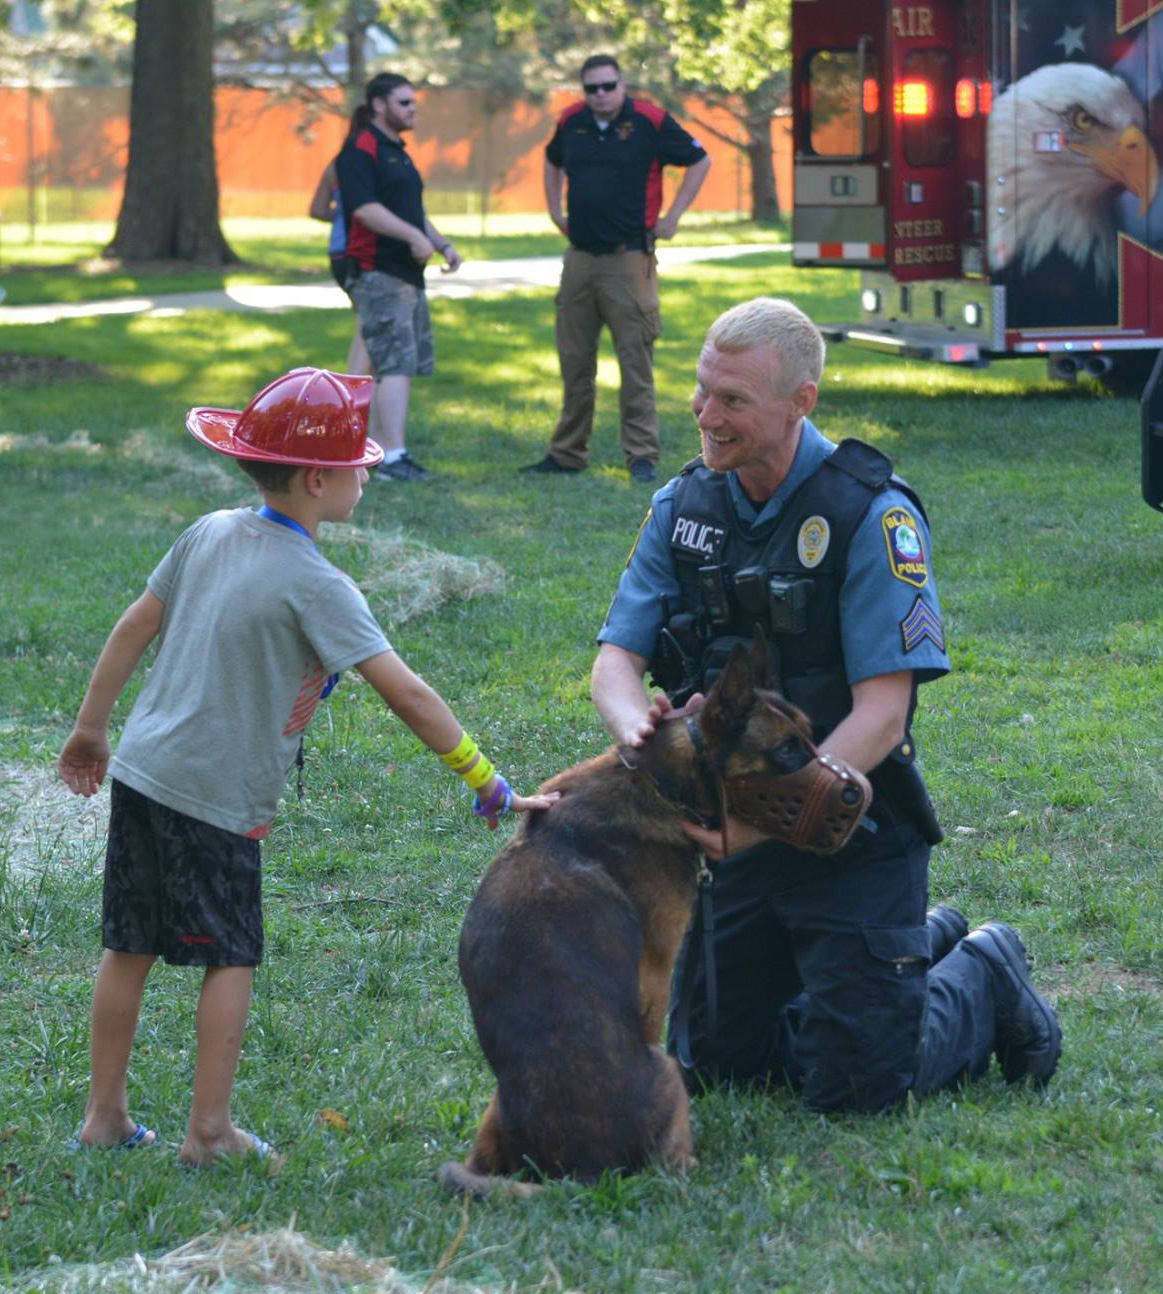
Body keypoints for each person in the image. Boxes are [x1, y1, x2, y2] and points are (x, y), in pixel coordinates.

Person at [57, 367, 556, 1166]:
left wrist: (90, 729)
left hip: (144, 773)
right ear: (319, 480)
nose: (367, 474)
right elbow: (408, 694)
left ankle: (103, 1118)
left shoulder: (208, 531)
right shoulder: (319, 584)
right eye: (357, 463)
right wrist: (483, 777)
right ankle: (209, 1133)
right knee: (231, 954)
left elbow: (132, 626)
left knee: (129, 945)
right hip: (216, 797)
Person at [590, 297, 1062, 1112]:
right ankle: (908, 954)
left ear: (799, 401)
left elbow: (882, 714)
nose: (704, 414)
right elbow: (614, 662)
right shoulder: (682, 506)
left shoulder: (869, 513)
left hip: (850, 830)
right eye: (701, 389)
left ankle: (982, 970)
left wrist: (764, 820)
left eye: (732, 400)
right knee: (719, 1068)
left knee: (857, 1089)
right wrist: (639, 730)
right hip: (735, 839)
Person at [521, 54, 711, 484]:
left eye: (608, 86)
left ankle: (641, 456)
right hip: (580, 258)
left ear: (622, 85)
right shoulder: (572, 121)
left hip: (629, 259)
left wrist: (674, 217)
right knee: (574, 361)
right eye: (592, 88)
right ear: (584, 90)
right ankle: (567, 453)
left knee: (635, 361)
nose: (601, 95)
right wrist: (554, 211)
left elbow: (701, 160)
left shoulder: (650, 121)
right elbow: (551, 160)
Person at [336, 72, 463, 484]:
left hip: (405, 274)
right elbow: (364, 209)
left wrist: (441, 243)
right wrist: (412, 237)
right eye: (404, 102)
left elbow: (412, 212)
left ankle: (368, 451)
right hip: (378, 272)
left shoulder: (397, 151)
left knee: (380, 363)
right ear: (379, 104)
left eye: (413, 103)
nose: (413, 110)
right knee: (395, 364)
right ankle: (392, 456)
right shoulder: (361, 148)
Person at [308, 108, 372, 376]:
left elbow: (317, 209)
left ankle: (372, 388)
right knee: (369, 326)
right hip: (362, 253)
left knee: (368, 323)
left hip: (338, 253)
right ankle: (353, 389)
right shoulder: (371, 163)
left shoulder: (335, 166)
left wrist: (341, 214)